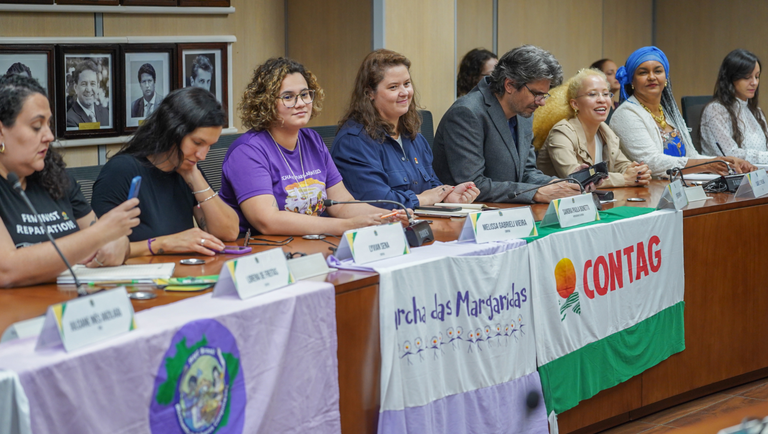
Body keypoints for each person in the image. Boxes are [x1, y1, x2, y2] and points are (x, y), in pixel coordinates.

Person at [219, 57, 406, 236]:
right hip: (263, 252)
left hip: (313, 242)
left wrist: (388, 216)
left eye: (305, 94)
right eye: (288, 97)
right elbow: (267, 221)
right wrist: (345, 226)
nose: (300, 103)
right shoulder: (247, 151)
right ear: (265, 103)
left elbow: (342, 204)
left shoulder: (312, 140)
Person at [0, 73, 139, 287]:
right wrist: (100, 234)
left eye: (49, 124)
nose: (49, 136)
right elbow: (7, 269)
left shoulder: (56, 178)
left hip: (71, 308)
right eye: (37, 126)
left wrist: (119, 245)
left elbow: (108, 239)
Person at [91, 87, 239, 257]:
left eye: (209, 146)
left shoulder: (187, 170)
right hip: (138, 277)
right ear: (172, 131)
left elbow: (229, 233)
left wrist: (193, 175)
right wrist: (164, 244)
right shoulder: (121, 171)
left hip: (181, 275)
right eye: (197, 142)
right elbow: (99, 249)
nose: (202, 156)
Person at [432, 44, 582, 203]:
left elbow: (526, 172)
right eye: (536, 94)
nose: (542, 103)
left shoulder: (523, 111)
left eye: (544, 95)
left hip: (507, 211)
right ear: (509, 85)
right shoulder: (467, 113)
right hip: (465, 218)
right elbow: (473, 184)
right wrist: (536, 193)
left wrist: (559, 185)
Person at [332, 49, 480, 210]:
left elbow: (432, 185)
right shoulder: (353, 142)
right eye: (393, 87)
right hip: (379, 229)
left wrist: (448, 195)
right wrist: (421, 199)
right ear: (369, 93)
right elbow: (377, 200)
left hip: (419, 224)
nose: (404, 93)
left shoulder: (413, 136)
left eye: (407, 84)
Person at [610, 46, 754, 178]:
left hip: (678, 188)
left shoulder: (670, 113)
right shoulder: (626, 114)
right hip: (647, 194)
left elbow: (692, 156)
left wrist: (725, 162)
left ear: (665, 78)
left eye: (658, 71)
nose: (652, 77)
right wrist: (708, 164)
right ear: (632, 81)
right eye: (643, 72)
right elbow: (650, 162)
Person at [537, 68, 651, 187]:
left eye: (606, 94)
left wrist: (639, 172)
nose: (602, 99)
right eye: (592, 94)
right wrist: (624, 179)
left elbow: (622, 165)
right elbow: (576, 178)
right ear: (575, 104)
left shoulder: (606, 133)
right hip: (553, 204)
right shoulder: (561, 133)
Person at [700, 49, 768, 164]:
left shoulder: (757, 112)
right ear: (731, 78)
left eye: (757, 76)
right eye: (747, 77)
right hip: (728, 178)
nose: (754, 82)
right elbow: (730, 154)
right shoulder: (716, 110)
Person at [66, 59, 109, 128]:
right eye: (84, 84)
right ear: (76, 88)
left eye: (92, 84)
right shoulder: (70, 119)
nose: (89, 89)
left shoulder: (106, 113)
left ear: (97, 87)